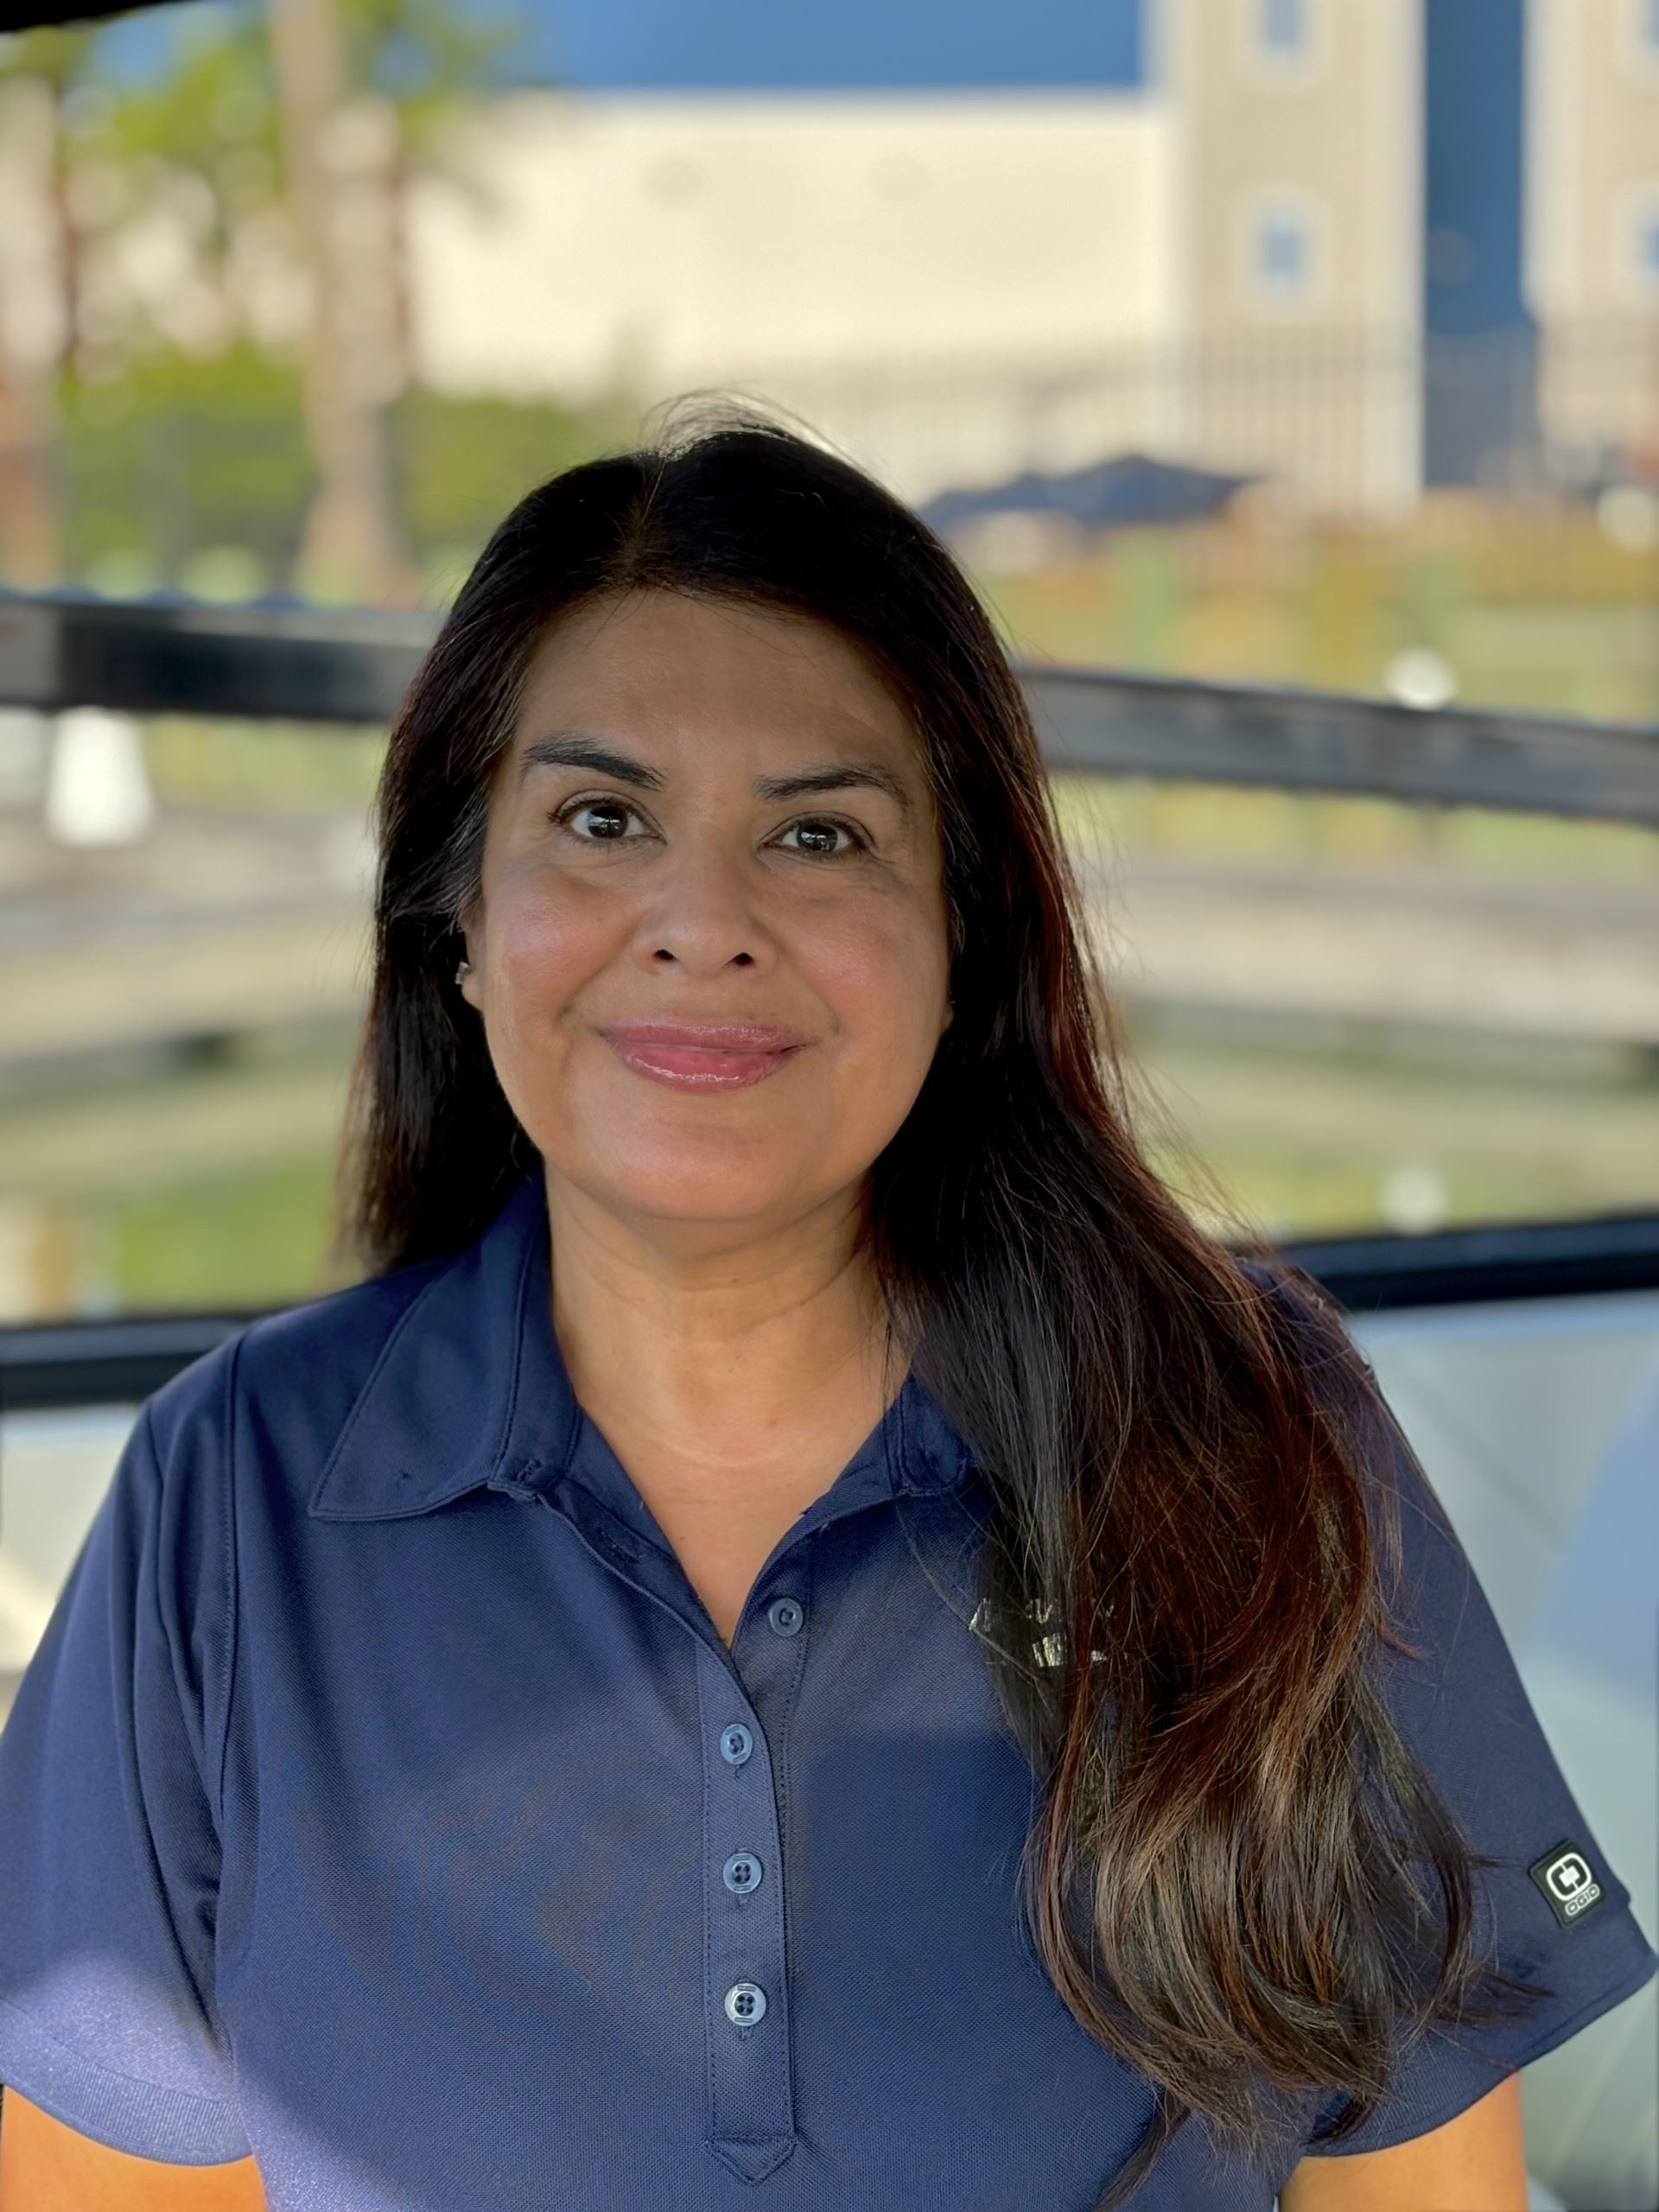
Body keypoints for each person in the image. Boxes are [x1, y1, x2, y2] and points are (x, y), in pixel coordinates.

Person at [0, 402, 1652, 2212]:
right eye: (602, 815)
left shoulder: (1250, 1427)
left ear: (966, 943)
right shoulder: (223, 1497)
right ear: (460, 915)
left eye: (820, 837)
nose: (700, 920)